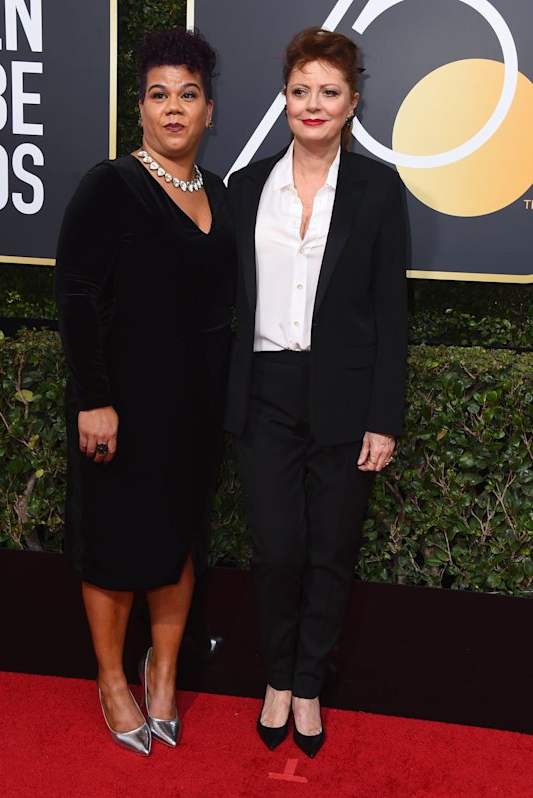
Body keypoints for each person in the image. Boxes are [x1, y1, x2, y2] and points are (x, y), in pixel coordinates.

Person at [224, 27, 408, 758]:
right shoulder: (246, 187)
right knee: (275, 551)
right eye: (301, 90)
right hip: (264, 391)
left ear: (352, 103)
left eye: (329, 92)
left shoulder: (377, 190)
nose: (313, 104)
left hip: (343, 396)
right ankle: (274, 674)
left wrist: (383, 417)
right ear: (285, 97)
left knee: (331, 551)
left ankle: (306, 686)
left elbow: (393, 311)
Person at [54, 26, 235, 756]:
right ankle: (110, 678)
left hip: (192, 412)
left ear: (209, 111)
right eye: (158, 95)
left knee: (176, 544)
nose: (173, 109)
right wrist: (94, 399)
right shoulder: (110, 184)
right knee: (114, 550)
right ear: (140, 109)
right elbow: (73, 294)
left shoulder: (218, 194)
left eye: (187, 95)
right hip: (120, 411)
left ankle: (162, 674)